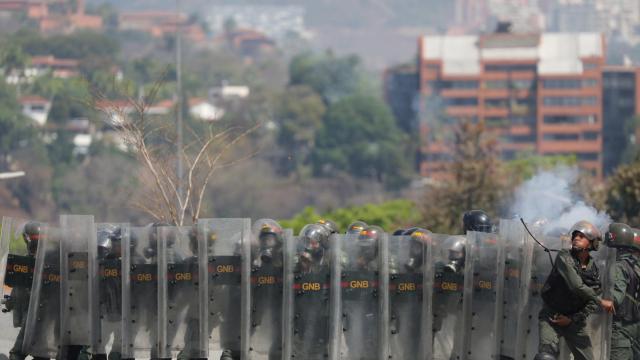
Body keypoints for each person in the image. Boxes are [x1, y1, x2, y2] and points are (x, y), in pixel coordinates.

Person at [534, 221, 614, 360]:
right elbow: (576, 285)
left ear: (591, 243)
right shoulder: (564, 256)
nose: (576, 238)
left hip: (574, 321)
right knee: (546, 357)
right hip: (552, 316)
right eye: (575, 236)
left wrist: (571, 320)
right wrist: (601, 301)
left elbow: (592, 302)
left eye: (581, 236)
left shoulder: (593, 270)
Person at [3, 221, 48, 360]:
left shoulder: (23, 263)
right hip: (47, 317)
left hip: (33, 316)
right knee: (42, 354)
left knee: (17, 353)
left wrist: (10, 302)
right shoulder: (51, 261)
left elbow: (18, 289)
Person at [604, 223, 640, 360]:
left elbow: (614, 299)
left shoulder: (619, 267)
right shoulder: (633, 267)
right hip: (633, 333)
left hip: (620, 332)